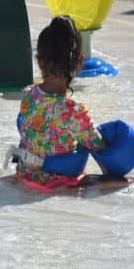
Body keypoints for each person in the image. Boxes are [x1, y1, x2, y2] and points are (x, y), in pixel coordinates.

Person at [11, 16, 107, 189]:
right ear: (80, 61)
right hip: (55, 182)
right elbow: (97, 145)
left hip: (25, 174)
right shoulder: (73, 111)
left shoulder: (28, 96)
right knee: (122, 182)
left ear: (39, 60)